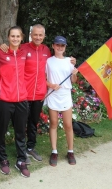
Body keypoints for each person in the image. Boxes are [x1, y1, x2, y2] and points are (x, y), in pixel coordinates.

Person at [0, 24, 76, 164]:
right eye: (35, 34)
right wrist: (2, 46)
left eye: (40, 35)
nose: (38, 37)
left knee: (33, 123)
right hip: (24, 93)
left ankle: (30, 147)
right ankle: (21, 150)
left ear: (44, 36)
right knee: (21, 124)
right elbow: (10, 51)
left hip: (40, 94)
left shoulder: (46, 50)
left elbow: (57, 63)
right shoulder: (22, 48)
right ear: (30, 35)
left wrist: (72, 62)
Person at [0, 26, 30, 178]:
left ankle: (21, 160)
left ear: (22, 38)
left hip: (21, 99)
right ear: (8, 37)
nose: (15, 39)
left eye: (18, 36)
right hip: (4, 99)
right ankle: (2, 158)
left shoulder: (24, 54)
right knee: (1, 131)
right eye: (12, 36)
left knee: (21, 132)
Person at [45, 36, 78, 167]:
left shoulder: (70, 61)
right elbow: (43, 78)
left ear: (65, 47)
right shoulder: (48, 61)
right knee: (53, 123)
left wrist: (75, 73)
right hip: (53, 94)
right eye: (57, 45)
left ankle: (70, 151)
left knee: (68, 125)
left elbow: (73, 80)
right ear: (53, 46)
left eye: (62, 46)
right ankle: (54, 151)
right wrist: (51, 85)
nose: (60, 47)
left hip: (65, 94)